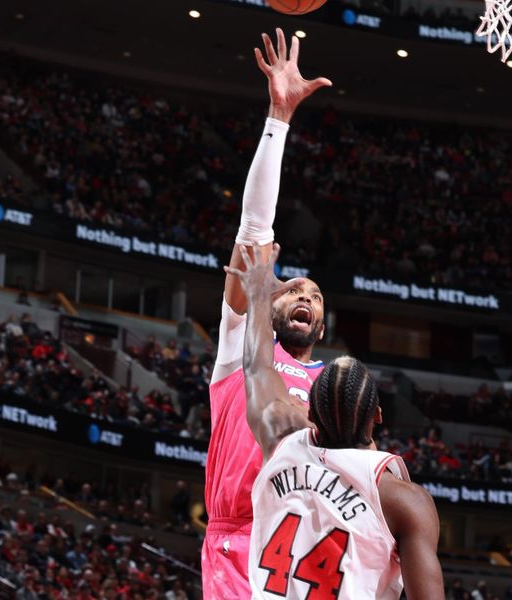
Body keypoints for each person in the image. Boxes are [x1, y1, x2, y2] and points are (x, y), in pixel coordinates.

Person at [226, 244, 445, 599]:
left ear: (310, 415)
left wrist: (257, 295)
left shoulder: (281, 439)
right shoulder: (404, 501)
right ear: (376, 416)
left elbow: (256, 367)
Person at [201, 28, 332, 599]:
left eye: (316, 295)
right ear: (269, 299)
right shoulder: (241, 345)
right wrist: (279, 117)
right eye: (294, 287)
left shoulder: (333, 384)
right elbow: (254, 230)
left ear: (321, 323)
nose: (304, 295)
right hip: (235, 541)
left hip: (304, 544)